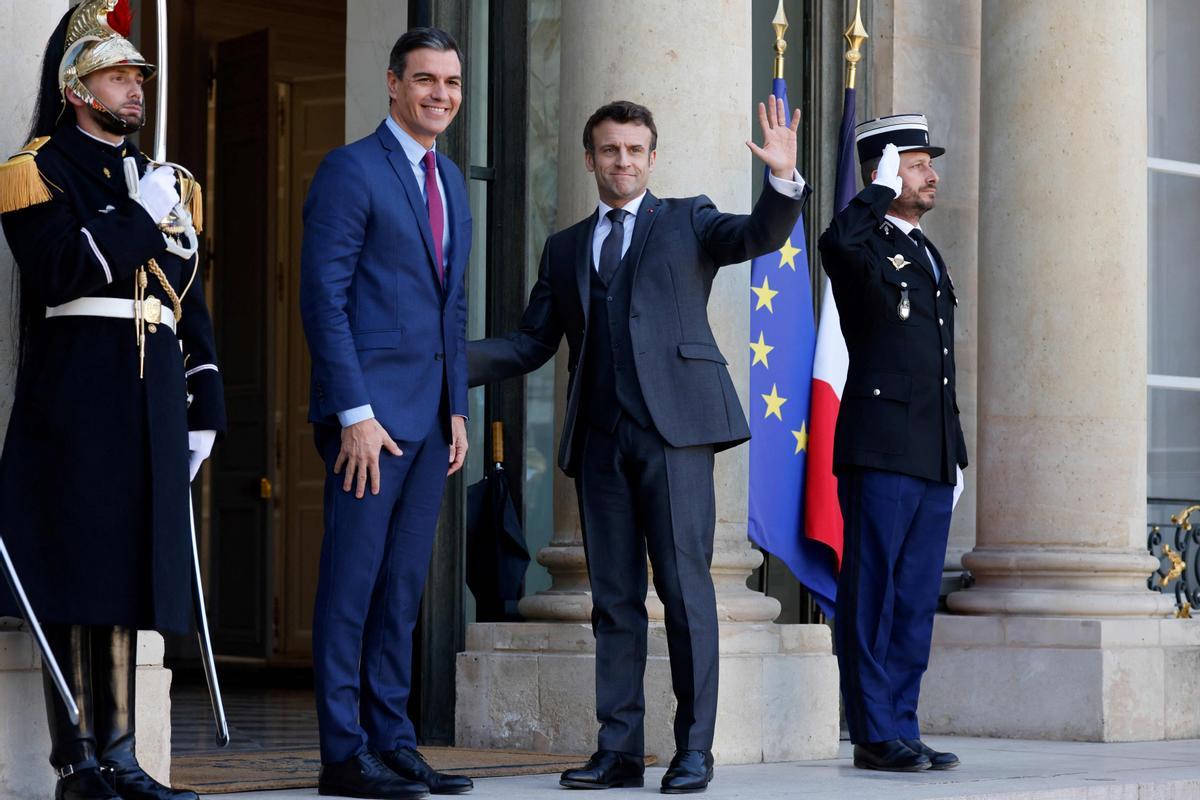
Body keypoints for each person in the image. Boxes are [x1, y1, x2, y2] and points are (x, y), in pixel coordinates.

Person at [469, 98, 808, 794]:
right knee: (613, 599)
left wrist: (782, 183)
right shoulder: (565, 248)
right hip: (598, 440)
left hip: (675, 433)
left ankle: (694, 752)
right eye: (609, 150)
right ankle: (617, 751)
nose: (622, 161)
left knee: (686, 593)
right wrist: (442, 358)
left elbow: (755, 236)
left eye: (634, 150)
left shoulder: (687, 218)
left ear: (651, 159)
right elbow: (532, 342)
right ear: (591, 159)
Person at [0, 2, 225, 799]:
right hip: (80, 390)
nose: (136, 89)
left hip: (152, 392)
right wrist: (138, 214)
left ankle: (124, 758)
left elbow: (189, 302)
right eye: (119, 74)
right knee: (77, 568)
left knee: (130, 571)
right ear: (76, 85)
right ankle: (79, 762)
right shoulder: (37, 167)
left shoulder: (167, 179)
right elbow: (61, 271)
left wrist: (205, 401)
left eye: (138, 76)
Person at [299, 26, 473, 800]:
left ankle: (392, 742)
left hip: (431, 422)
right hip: (367, 426)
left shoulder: (455, 181)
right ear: (393, 84)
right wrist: (353, 413)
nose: (441, 94)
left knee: (402, 590)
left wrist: (456, 408)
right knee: (353, 587)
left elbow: (451, 305)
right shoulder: (351, 170)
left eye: (453, 83)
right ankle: (344, 753)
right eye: (426, 79)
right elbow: (323, 300)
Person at [816, 114, 968, 773]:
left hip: (929, 450)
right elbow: (834, 241)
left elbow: (937, 361)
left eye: (929, 162)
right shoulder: (863, 242)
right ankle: (873, 731)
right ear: (881, 171)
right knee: (872, 591)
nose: (930, 173)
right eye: (913, 163)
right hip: (879, 448)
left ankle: (902, 723)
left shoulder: (925, 250)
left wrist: (953, 451)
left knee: (912, 600)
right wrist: (874, 192)